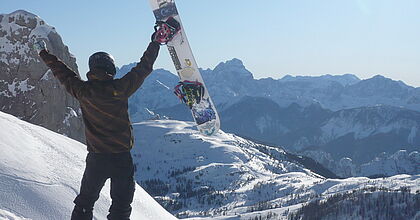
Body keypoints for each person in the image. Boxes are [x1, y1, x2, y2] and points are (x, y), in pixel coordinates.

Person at [34, 29, 161, 219]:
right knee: (121, 205)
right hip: (121, 158)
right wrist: (155, 43)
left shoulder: (82, 90)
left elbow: (62, 72)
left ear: (92, 69)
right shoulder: (120, 88)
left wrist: (43, 53)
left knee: (85, 201)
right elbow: (143, 68)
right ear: (111, 69)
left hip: (96, 159)